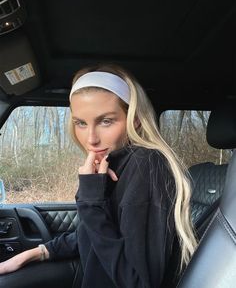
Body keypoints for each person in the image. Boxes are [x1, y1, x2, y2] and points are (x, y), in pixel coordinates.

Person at [0, 64, 197, 287]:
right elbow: (96, 234)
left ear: (134, 119)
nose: (91, 138)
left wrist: (91, 201)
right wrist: (38, 253)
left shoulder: (147, 166)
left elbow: (138, 282)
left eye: (106, 121)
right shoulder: (114, 163)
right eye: (81, 123)